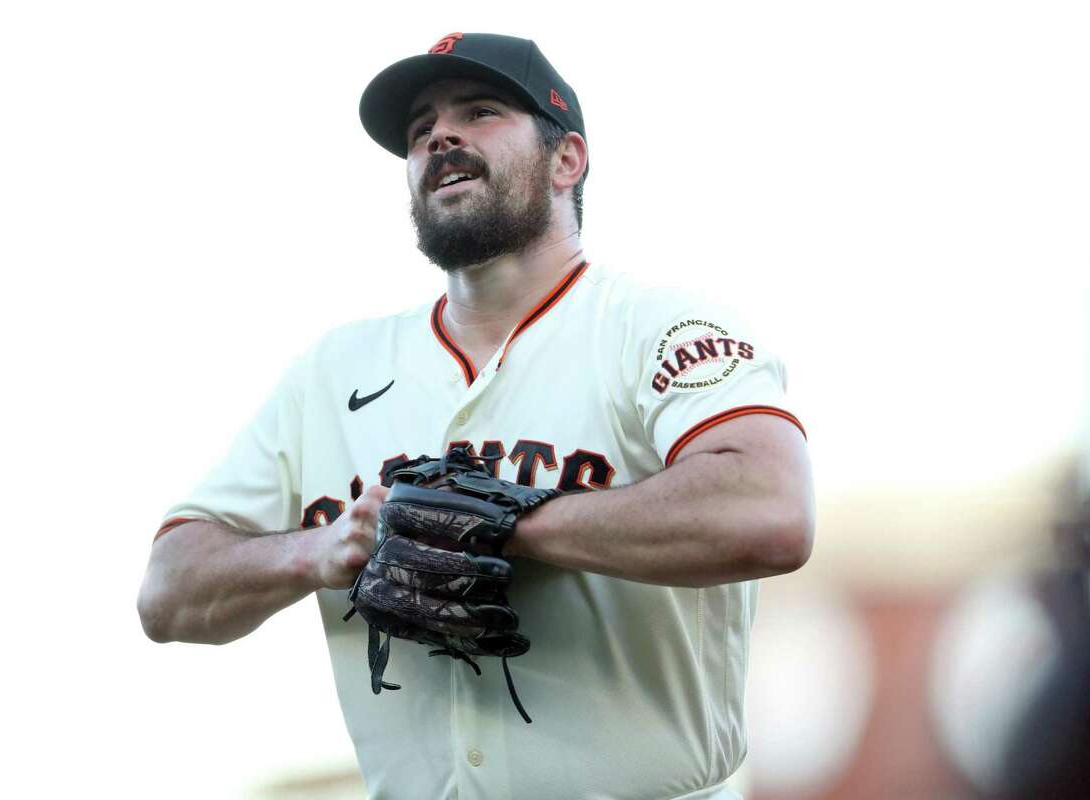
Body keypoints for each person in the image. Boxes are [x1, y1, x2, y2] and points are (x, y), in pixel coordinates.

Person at [137, 32, 815, 800]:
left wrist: (507, 525)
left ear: (567, 161)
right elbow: (168, 592)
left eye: (480, 111)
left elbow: (771, 510)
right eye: (421, 127)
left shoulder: (658, 328)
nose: (440, 136)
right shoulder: (331, 372)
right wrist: (318, 550)